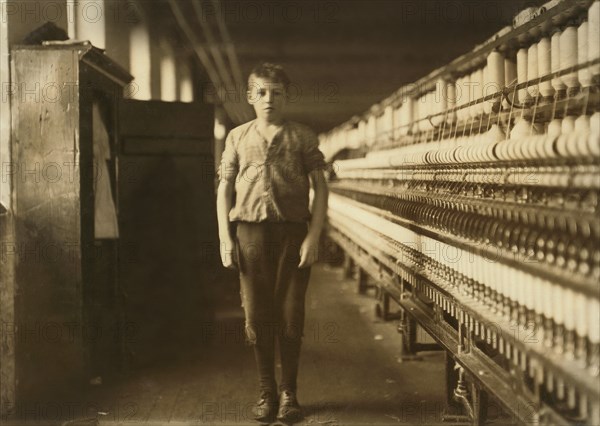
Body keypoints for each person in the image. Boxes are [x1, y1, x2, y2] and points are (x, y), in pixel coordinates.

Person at [216, 62, 329, 423]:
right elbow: (224, 189)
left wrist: (313, 235)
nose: (269, 99)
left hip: (292, 235)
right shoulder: (237, 137)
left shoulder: (303, 137)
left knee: (291, 317)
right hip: (249, 235)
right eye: (261, 93)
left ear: (286, 97)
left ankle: (289, 394)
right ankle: (266, 392)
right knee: (257, 316)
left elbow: (321, 188)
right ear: (250, 96)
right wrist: (224, 238)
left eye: (276, 93)